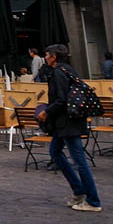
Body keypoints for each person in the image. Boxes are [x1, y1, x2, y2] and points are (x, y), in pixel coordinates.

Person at [37, 44, 101, 212]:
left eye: (47, 54)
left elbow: (61, 99)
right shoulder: (68, 70)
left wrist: (46, 112)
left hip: (66, 122)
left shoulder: (59, 73)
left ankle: (93, 201)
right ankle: (79, 191)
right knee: (55, 152)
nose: (45, 57)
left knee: (79, 160)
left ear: (54, 57)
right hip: (69, 120)